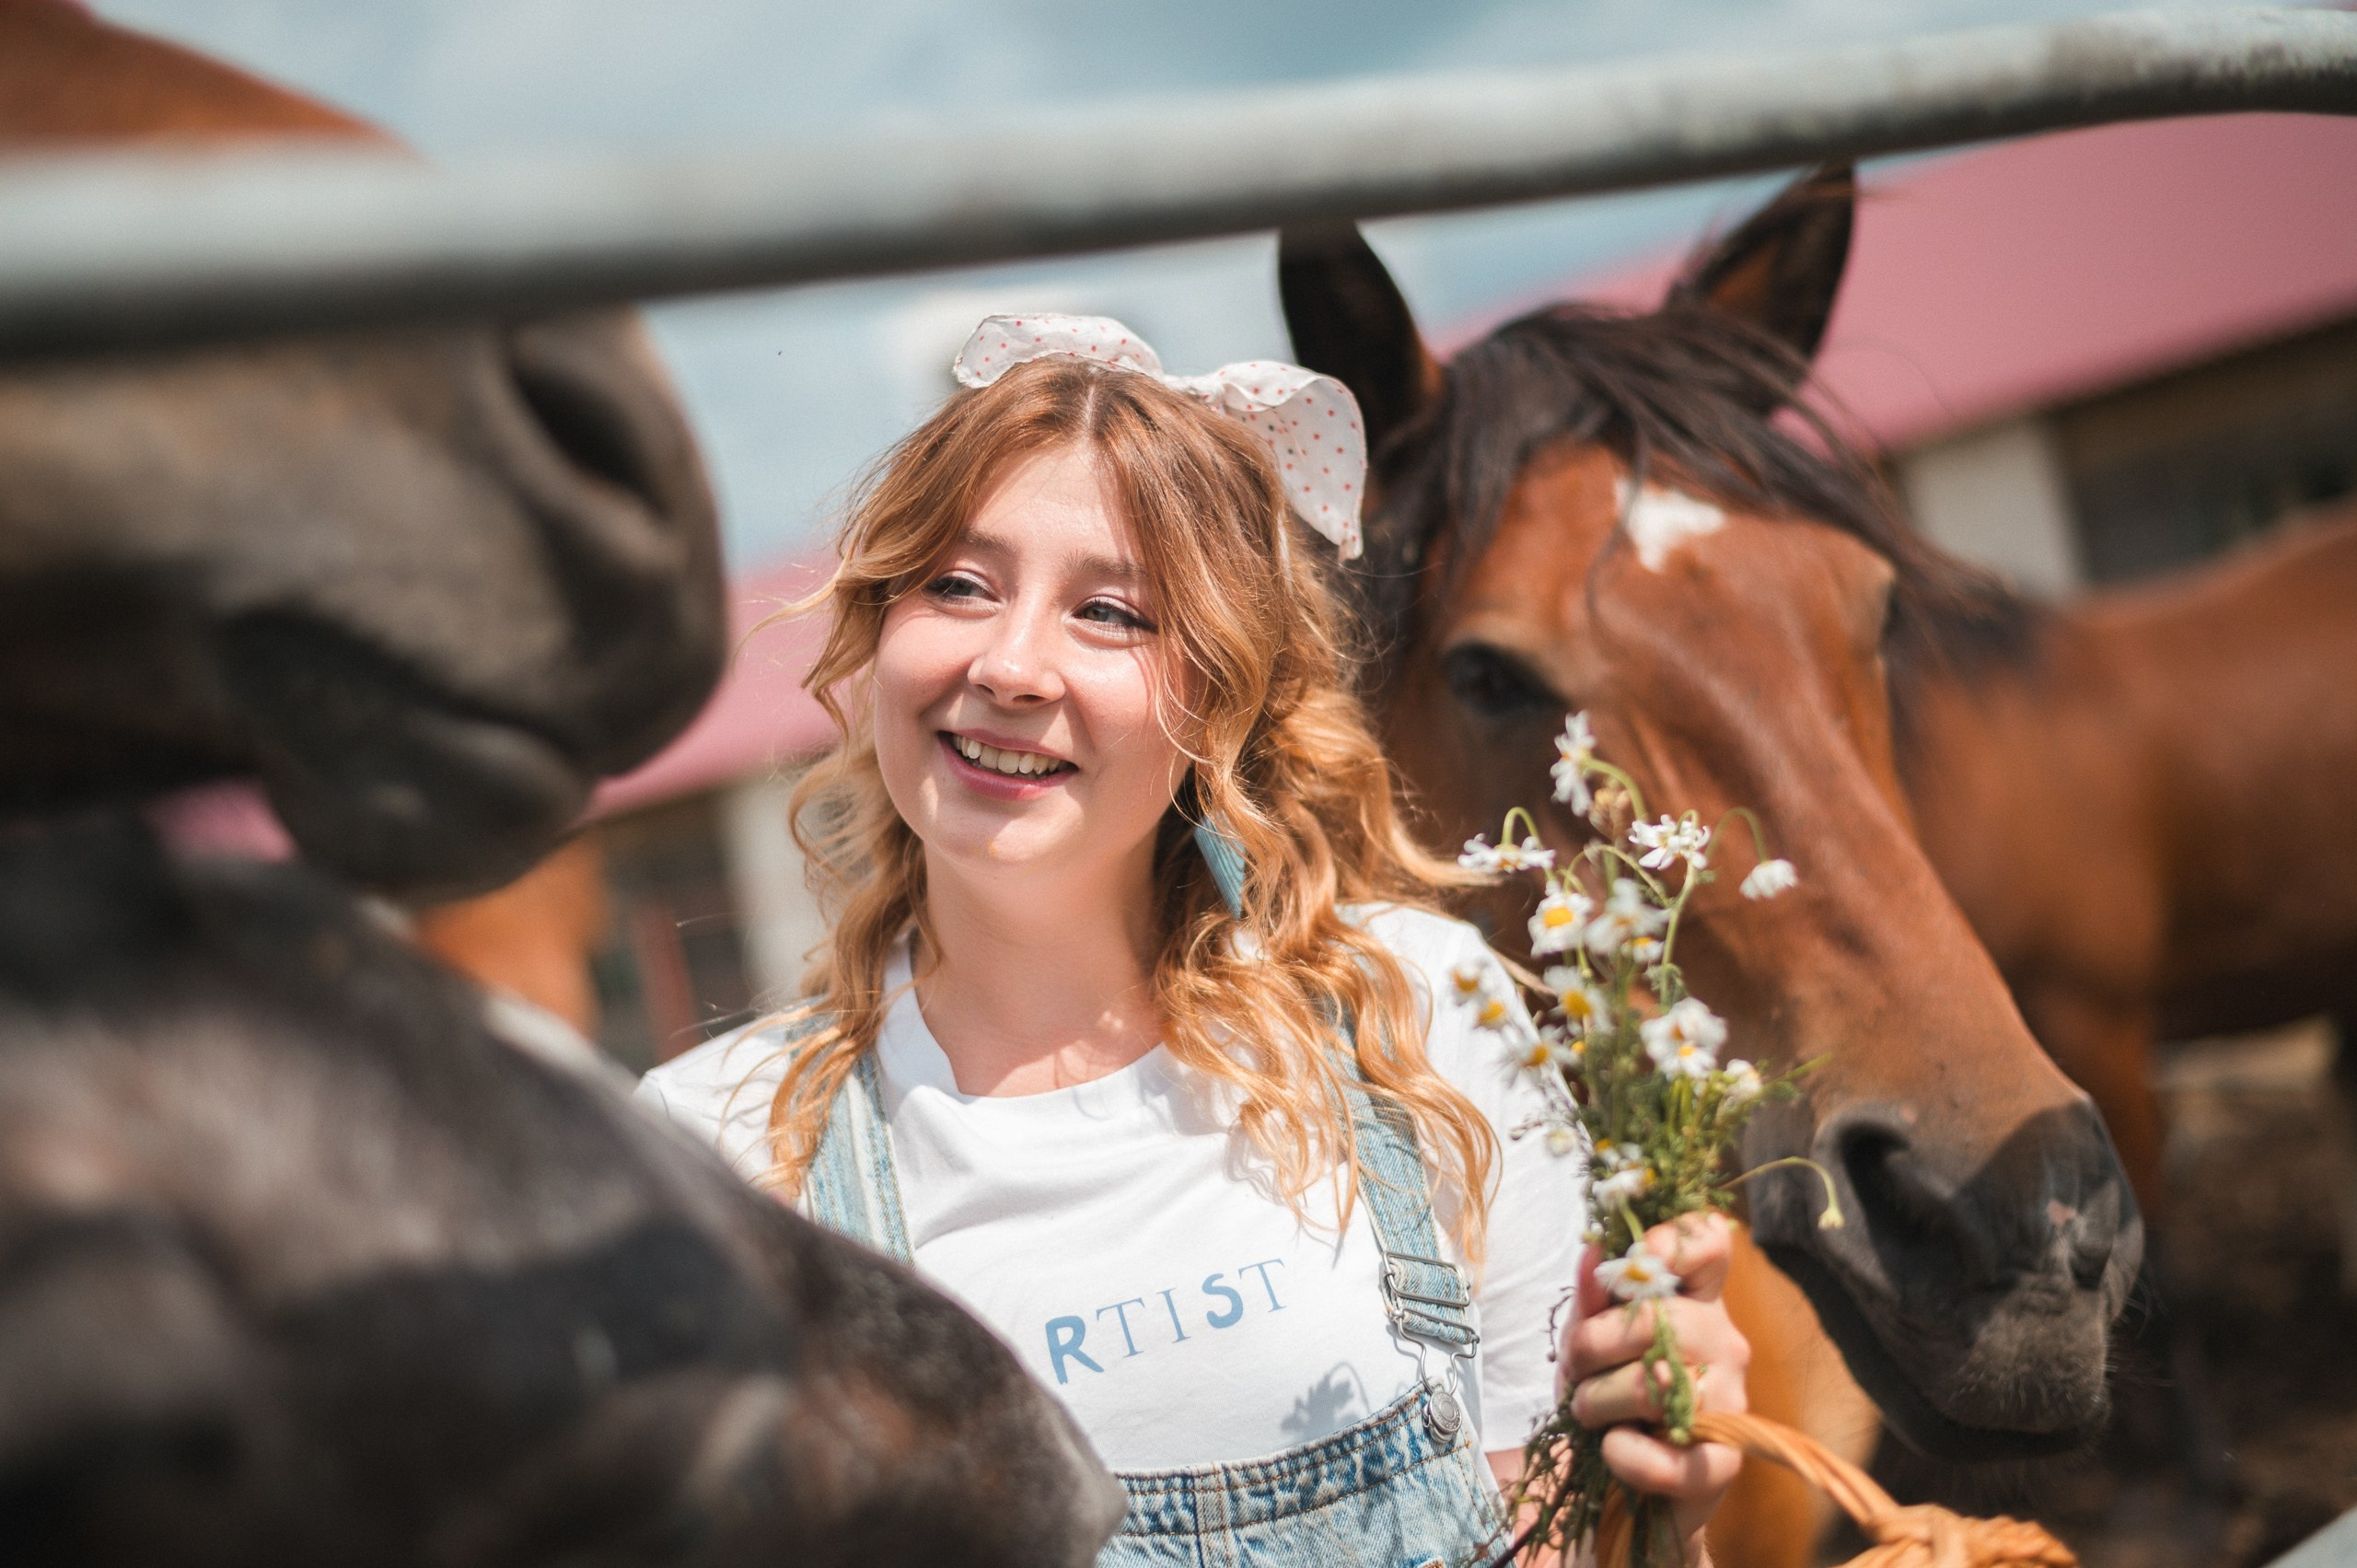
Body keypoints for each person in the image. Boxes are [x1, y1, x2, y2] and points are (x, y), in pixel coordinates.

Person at [637, 315, 1749, 1566]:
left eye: (1109, 613)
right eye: (957, 583)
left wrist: (1671, 1502)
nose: (1010, 663)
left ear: (1218, 696)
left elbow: (1568, 1553)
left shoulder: (1419, 1017)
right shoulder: (711, 1154)